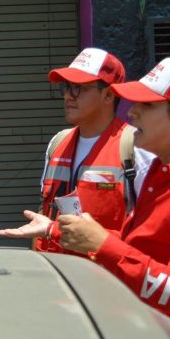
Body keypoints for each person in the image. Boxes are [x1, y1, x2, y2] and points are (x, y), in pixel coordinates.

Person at [0, 57, 170, 339]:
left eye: (146, 106)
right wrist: (54, 231)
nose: (132, 113)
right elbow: (143, 250)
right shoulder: (162, 175)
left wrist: (103, 245)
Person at [34, 47, 154, 253]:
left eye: (78, 88)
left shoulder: (136, 147)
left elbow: (151, 229)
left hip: (104, 279)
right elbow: (42, 216)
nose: (68, 97)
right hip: (57, 276)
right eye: (67, 87)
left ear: (108, 95)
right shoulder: (58, 143)